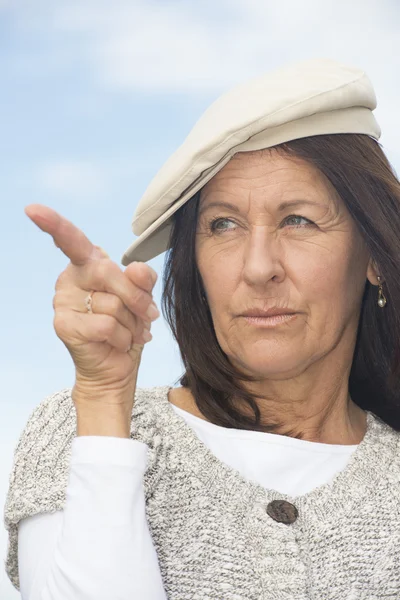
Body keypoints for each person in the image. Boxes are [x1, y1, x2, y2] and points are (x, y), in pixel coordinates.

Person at [3, 57, 400, 599]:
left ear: (374, 254)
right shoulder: (82, 430)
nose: (258, 267)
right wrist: (101, 402)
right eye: (224, 225)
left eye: (298, 220)